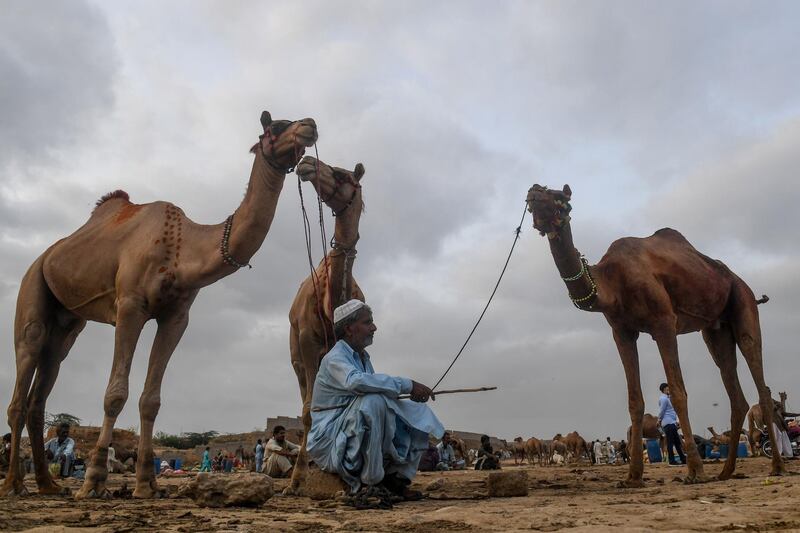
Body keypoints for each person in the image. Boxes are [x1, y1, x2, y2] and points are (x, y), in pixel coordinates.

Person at [307, 300, 444, 500]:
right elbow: (356, 383)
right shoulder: (334, 358)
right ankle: (371, 481)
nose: (374, 327)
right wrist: (407, 385)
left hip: (349, 424)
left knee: (415, 411)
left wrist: (406, 393)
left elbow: (370, 386)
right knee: (374, 402)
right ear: (349, 328)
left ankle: (396, 479)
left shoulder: (363, 358)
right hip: (330, 437)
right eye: (367, 322)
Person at [658, 383, 686, 466]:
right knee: (670, 443)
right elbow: (662, 411)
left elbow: (672, 411)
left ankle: (683, 459)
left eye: (668, 389)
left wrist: (676, 421)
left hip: (672, 422)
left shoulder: (668, 398)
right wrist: (659, 420)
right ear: (663, 390)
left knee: (677, 442)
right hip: (667, 423)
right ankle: (672, 461)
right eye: (667, 389)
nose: (668, 390)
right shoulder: (663, 399)